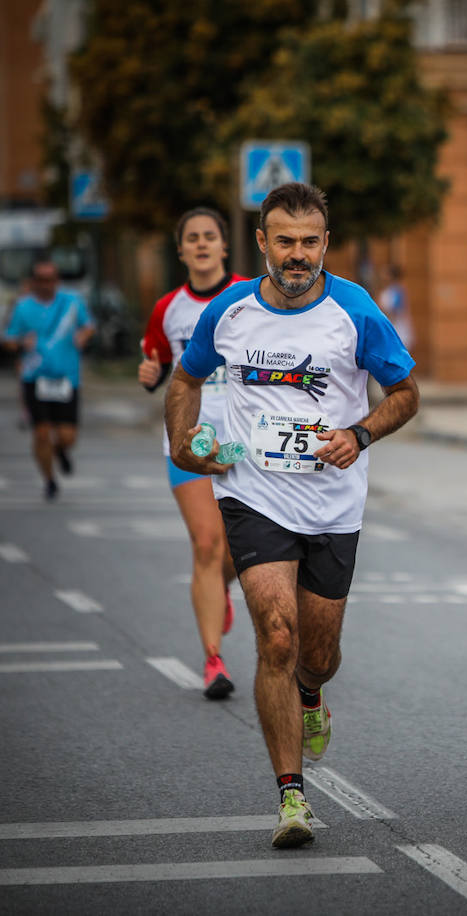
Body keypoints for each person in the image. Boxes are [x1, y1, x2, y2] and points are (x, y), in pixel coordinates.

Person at [165, 183, 419, 849]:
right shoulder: (232, 310)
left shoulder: (355, 310)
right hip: (253, 495)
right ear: (262, 243)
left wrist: (360, 435)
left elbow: (406, 393)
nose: (297, 254)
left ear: (325, 244)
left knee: (318, 652)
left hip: (333, 503)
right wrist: (184, 445)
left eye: (309, 242)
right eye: (285, 241)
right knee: (275, 636)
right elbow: (186, 380)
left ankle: (311, 692)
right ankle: (291, 797)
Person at [138, 207, 247, 700]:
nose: (201, 244)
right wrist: (150, 375)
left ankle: (221, 587)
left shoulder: (251, 296)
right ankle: (213, 661)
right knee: (206, 544)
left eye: (210, 237)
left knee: (235, 552)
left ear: (225, 246)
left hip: (243, 443)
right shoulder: (167, 308)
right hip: (187, 441)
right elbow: (159, 363)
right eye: (192, 238)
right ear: (180, 250)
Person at [2, 258, 95, 501]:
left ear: (57, 281)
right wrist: (22, 343)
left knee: (67, 436)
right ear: (34, 282)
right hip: (35, 378)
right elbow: (8, 340)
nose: (46, 285)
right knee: (41, 433)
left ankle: (60, 451)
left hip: (67, 379)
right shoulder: (22, 307)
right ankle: (50, 480)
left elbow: (89, 326)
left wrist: (83, 336)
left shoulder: (72, 302)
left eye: (51, 280)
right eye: (41, 280)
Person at [377, 263, 413, 349]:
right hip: (391, 333)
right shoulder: (387, 291)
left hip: (398, 332)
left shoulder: (397, 291)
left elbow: (393, 312)